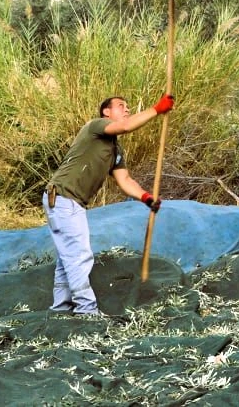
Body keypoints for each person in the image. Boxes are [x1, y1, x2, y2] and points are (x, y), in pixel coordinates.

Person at [43, 92, 175, 316]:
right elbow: (125, 126)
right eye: (121, 106)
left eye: (127, 107)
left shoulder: (115, 150)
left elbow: (125, 180)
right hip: (62, 197)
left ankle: (61, 309)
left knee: (68, 258)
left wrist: (146, 197)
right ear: (106, 112)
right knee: (79, 255)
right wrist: (156, 109)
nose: (127, 109)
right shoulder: (96, 127)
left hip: (72, 202)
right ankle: (87, 311)